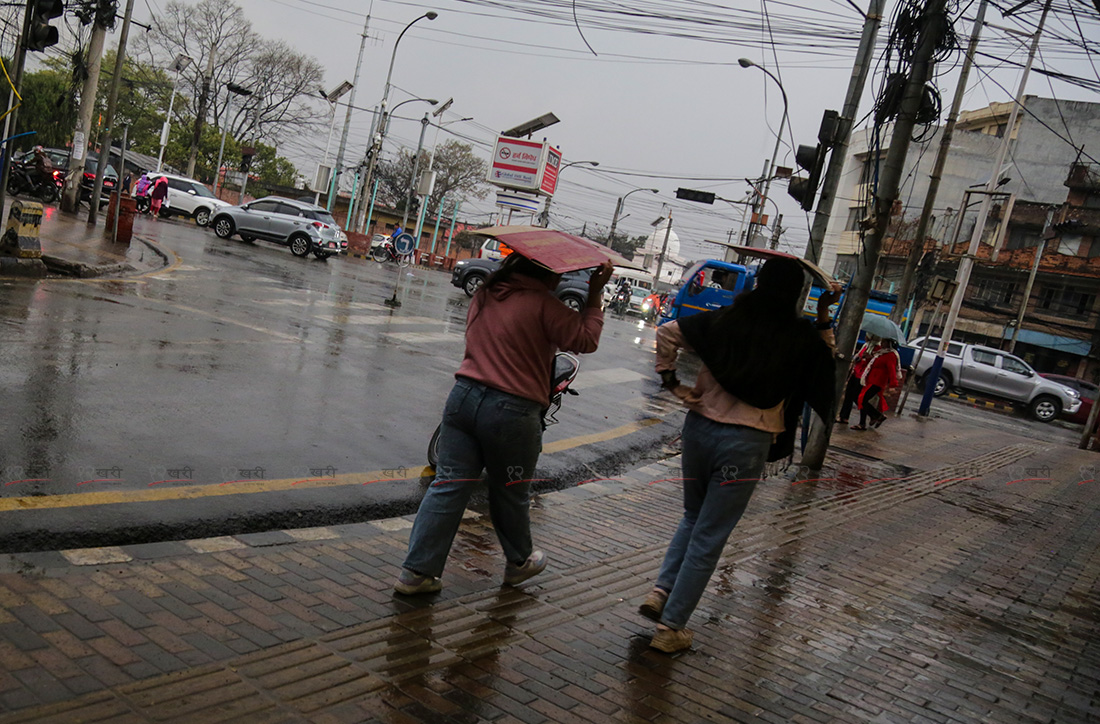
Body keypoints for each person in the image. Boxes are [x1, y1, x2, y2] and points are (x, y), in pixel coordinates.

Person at [645, 257, 839, 653]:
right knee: (710, 534)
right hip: (746, 442)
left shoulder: (724, 319)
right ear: (796, 293)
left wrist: (672, 383)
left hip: (699, 430)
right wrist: (823, 315)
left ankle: (661, 591)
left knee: (692, 517)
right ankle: (671, 628)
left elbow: (667, 332)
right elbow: (825, 369)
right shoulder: (798, 335)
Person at [395, 253, 614, 595]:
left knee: (449, 483)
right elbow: (586, 340)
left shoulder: (485, 293)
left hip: (463, 398)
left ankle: (416, 574)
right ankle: (519, 562)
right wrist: (596, 293)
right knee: (511, 490)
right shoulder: (543, 304)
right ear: (547, 273)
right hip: (511, 410)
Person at [851, 336, 902, 431]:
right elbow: (875, 363)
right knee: (860, 398)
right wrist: (870, 358)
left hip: (878, 381)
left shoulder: (890, 355)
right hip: (870, 379)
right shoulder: (880, 353)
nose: (881, 343)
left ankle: (874, 417)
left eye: (884, 342)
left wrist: (892, 385)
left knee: (862, 399)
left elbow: (891, 370)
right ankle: (873, 417)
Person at [837, 340, 874, 425]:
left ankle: (873, 414)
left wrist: (868, 357)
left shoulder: (875, 348)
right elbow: (859, 356)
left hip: (862, 375)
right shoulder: (866, 345)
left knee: (858, 397)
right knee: (849, 395)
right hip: (856, 372)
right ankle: (844, 416)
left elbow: (873, 361)